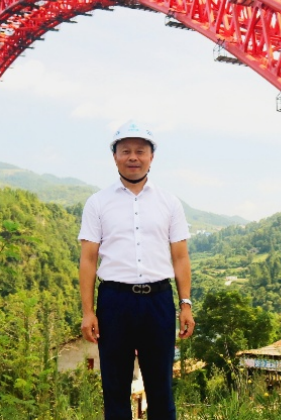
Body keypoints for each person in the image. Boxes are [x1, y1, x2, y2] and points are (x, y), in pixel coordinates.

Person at [78, 119, 195, 420]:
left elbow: (180, 257)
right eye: (126, 151)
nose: (133, 157)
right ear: (114, 156)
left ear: (151, 157)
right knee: (115, 389)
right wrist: (88, 312)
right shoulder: (97, 203)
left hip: (158, 301)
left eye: (140, 151)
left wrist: (185, 304)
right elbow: (88, 259)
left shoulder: (170, 203)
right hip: (114, 302)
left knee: (161, 390)